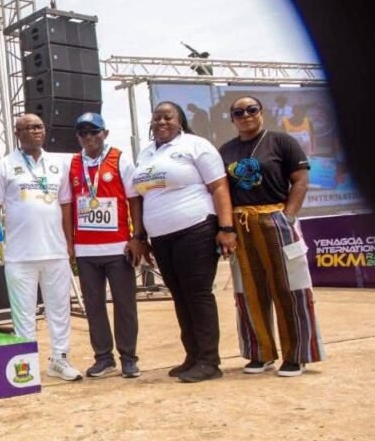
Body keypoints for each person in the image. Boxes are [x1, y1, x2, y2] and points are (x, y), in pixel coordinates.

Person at [131, 101, 236, 382]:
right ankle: (193, 356)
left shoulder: (196, 145)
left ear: (180, 121)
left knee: (198, 294)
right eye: (157, 118)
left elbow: (219, 186)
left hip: (196, 228)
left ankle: (209, 361)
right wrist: (141, 236)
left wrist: (226, 227)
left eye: (168, 117)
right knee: (179, 295)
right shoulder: (145, 153)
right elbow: (140, 196)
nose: (161, 122)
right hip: (161, 237)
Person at [219, 96, 324, 376]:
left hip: (275, 218)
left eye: (251, 109)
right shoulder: (226, 150)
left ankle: (296, 356)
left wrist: (287, 216)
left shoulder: (281, 142)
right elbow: (223, 191)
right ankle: (260, 353)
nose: (245, 115)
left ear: (261, 112)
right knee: (248, 291)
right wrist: (226, 227)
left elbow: (300, 181)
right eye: (238, 112)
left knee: (290, 288)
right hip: (241, 223)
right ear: (232, 119)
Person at [0, 113, 81, 382]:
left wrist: (69, 242)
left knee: (60, 311)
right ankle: (25, 365)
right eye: (28, 128)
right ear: (17, 133)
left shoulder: (58, 164)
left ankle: (59, 360)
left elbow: (65, 205)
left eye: (39, 127)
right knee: (23, 315)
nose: (36, 131)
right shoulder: (3, 166)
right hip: (19, 255)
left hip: (55, 251)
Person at [63, 113, 146, 379]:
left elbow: (134, 200)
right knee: (94, 306)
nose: (89, 137)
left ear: (105, 133)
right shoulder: (72, 164)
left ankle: (128, 358)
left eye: (94, 132)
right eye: (83, 133)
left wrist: (137, 236)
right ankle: (103, 358)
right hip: (86, 250)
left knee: (125, 305)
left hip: (118, 247)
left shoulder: (120, 159)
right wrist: (70, 243)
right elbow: (68, 205)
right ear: (78, 137)